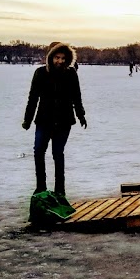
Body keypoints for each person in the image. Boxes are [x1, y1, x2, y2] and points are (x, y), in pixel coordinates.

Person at [22, 42, 87, 197]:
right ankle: (41, 187)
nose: (60, 61)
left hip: (64, 121)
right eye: (57, 57)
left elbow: (76, 97)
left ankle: (60, 190)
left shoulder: (71, 74)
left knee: (58, 154)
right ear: (50, 57)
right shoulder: (40, 73)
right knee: (38, 152)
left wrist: (81, 115)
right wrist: (27, 119)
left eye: (63, 58)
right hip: (44, 120)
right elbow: (33, 98)